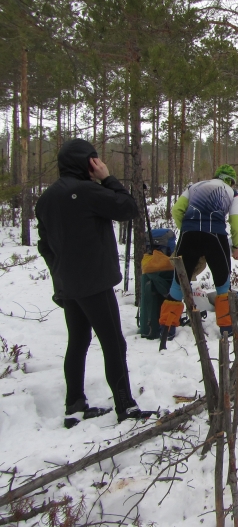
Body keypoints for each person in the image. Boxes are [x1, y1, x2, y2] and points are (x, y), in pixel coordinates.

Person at [36, 138, 153, 426]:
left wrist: (60, 273)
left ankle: (74, 404)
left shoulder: (46, 198)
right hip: (94, 282)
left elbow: (44, 245)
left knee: (78, 341)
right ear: (87, 162)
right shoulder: (87, 191)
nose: (98, 163)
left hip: (69, 284)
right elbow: (128, 208)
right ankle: (125, 406)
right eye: (94, 159)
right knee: (113, 342)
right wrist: (108, 179)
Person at [159, 165, 238, 338]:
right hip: (215, 236)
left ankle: (167, 328)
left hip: (189, 235)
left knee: (178, 282)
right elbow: (236, 224)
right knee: (223, 284)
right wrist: (236, 246)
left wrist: (187, 229)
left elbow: (177, 210)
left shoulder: (193, 187)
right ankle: (227, 328)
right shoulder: (232, 193)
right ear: (231, 181)